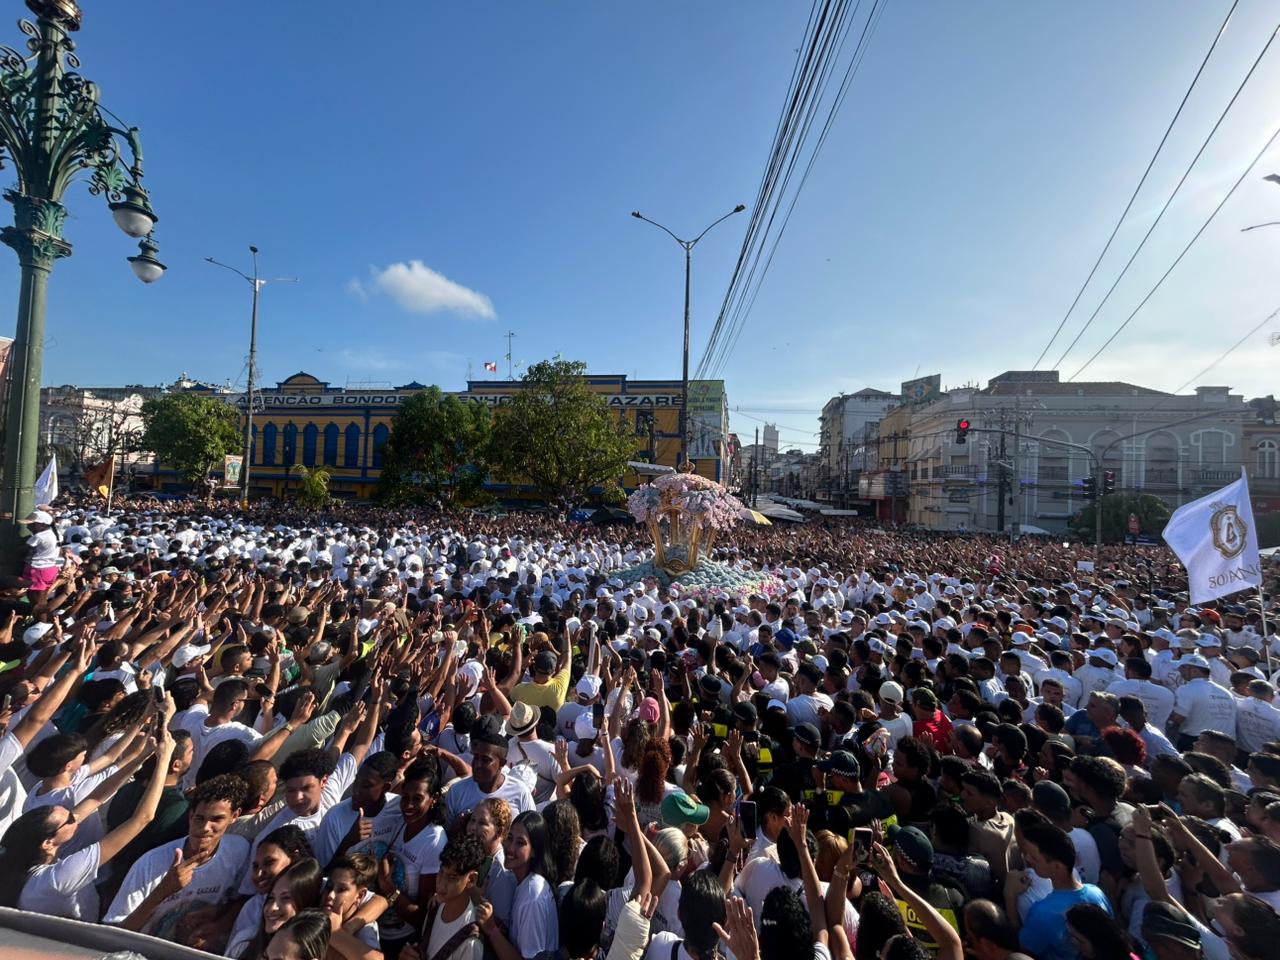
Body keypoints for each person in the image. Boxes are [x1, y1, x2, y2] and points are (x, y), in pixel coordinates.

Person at [0, 724, 172, 919]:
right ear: (48, 843)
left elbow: (95, 799)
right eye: (69, 820)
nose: (75, 816)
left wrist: (143, 756)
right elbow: (142, 819)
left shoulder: (15, 868)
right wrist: (164, 760)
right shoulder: (60, 878)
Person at [105, 773, 252, 947]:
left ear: (235, 816)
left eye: (216, 819)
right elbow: (116, 933)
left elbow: (242, 899)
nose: (205, 828)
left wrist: (218, 921)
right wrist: (163, 891)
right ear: (190, 816)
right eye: (200, 818)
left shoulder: (239, 851)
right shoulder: (151, 864)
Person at [1006, 811, 1112, 960]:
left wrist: (1010, 897)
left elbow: (1022, 952)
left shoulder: (1042, 913)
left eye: (1035, 858)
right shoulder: (1096, 893)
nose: (1027, 858)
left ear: (1057, 867)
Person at [481, 810, 558, 960]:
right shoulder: (524, 882)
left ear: (535, 851)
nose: (510, 848)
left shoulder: (532, 894)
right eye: (510, 838)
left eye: (520, 843)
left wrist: (491, 929)